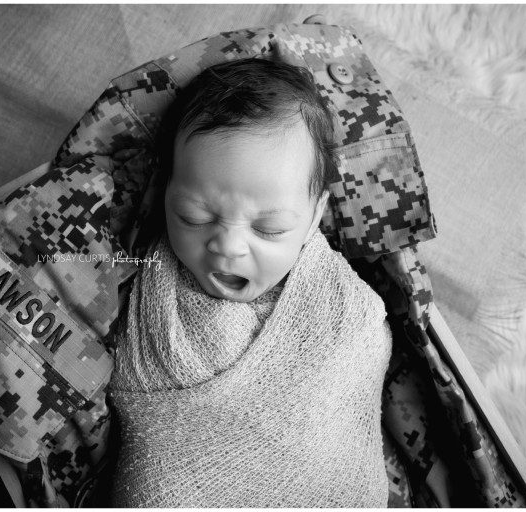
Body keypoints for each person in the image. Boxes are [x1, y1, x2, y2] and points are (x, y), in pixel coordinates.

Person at [106, 57, 393, 507]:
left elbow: (362, 350)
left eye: (270, 229)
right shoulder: (145, 284)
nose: (228, 247)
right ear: (166, 192)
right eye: (194, 217)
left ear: (315, 215)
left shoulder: (342, 310)